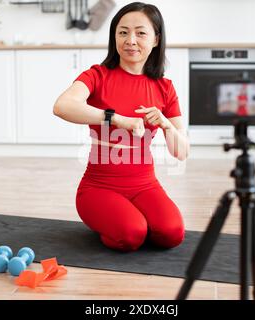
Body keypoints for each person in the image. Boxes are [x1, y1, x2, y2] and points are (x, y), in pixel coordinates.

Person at [53, 2, 189, 252]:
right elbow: (62, 106)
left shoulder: (165, 87)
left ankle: (128, 218)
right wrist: (115, 119)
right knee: (132, 235)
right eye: (123, 32)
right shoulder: (97, 75)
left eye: (140, 32)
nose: (131, 40)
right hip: (98, 187)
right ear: (114, 37)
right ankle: (117, 220)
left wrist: (167, 125)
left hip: (146, 185)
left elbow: (181, 152)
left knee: (172, 234)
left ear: (156, 39)